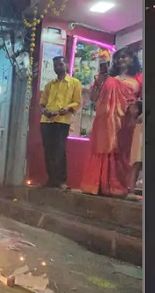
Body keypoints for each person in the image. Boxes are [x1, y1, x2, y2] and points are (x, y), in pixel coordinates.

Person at [79, 48, 143, 198]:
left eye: (125, 57)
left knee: (120, 151)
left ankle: (118, 187)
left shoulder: (139, 78)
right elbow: (94, 98)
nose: (121, 60)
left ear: (133, 60)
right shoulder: (108, 78)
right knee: (102, 149)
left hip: (124, 121)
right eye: (118, 58)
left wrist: (139, 113)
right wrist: (101, 79)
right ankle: (98, 185)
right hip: (104, 119)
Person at [39, 55, 82, 189]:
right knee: (48, 151)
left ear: (67, 65)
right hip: (46, 121)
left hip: (62, 121)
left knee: (60, 150)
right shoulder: (49, 85)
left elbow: (77, 102)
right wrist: (44, 111)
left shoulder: (74, 83)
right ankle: (51, 179)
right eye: (55, 65)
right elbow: (42, 103)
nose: (58, 67)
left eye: (60, 64)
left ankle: (61, 181)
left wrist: (68, 108)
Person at [129, 100, 143, 198]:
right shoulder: (137, 122)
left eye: (134, 108)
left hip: (140, 146)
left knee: (136, 168)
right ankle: (132, 190)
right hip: (138, 147)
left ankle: (132, 190)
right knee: (135, 168)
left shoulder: (139, 121)